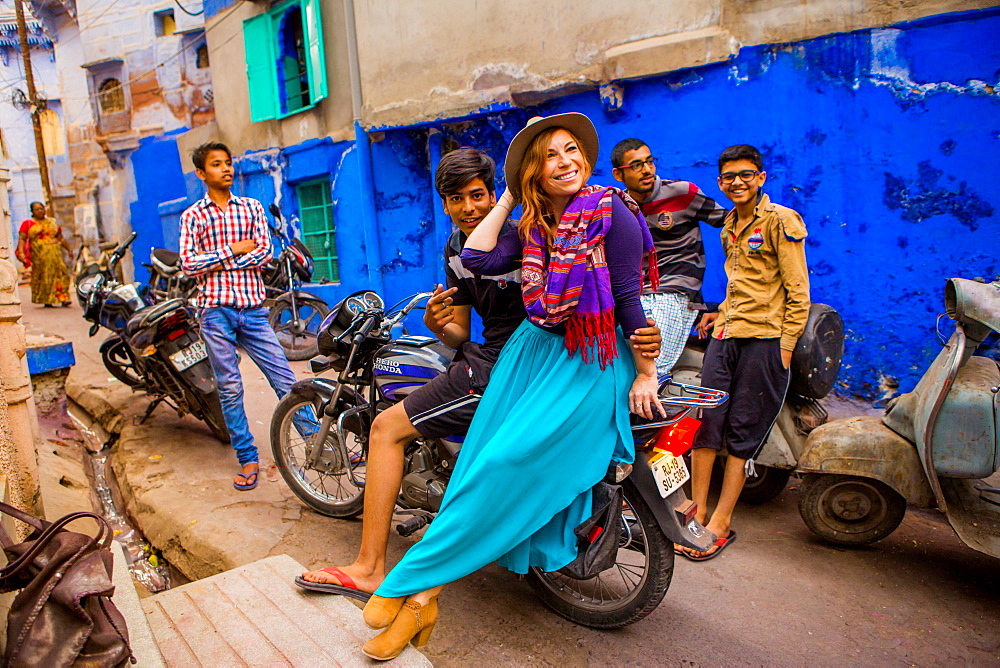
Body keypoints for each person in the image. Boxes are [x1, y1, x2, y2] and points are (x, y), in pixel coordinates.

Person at [357, 113, 665, 661]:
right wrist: (508, 197)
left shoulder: (608, 209)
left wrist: (644, 372)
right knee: (474, 473)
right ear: (533, 173)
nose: (564, 162)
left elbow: (627, 297)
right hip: (531, 354)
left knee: (503, 466)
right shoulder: (534, 225)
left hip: (588, 357)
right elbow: (475, 257)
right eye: (548, 156)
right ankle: (425, 599)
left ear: (586, 159)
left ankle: (403, 583)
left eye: (572, 150)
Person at [680, 144, 810, 561]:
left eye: (745, 175)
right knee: (705, 421)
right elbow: (741, 285)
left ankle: (721, 520)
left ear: (760, 178)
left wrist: (785, 350)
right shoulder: (728, 226)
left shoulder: (780, 221)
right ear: (720, 184)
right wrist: (718, 315)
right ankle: (696, 512)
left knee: (742, 431)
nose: (737, 182)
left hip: (766, 340)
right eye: (729, 177)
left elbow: (797, 292)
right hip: (727, 334)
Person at [178, 141, 299, 492]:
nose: (227, 169)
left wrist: (216, 259)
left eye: (228, 163)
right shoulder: (193, 216)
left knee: (286, 380)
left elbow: (264, 254)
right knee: (230, 389)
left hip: (254, 310)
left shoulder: (251, 207)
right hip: (215, 313)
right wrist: (233, 249)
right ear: (202, 173)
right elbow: (188, 264)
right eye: (217, 164)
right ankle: (247, 457)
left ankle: (316, 439)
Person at [611, 138, 727, 376]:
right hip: (634, 295)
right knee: (608, 360)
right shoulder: (617, 207)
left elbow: (731, 224)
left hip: (674, 290)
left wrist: (731, 300)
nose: (646, 170)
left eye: (650, 162)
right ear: (618, 174)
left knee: (648, 362)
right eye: (636, 165)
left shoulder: (683, 193)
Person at [17, 202, 72, 307]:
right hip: (40, 257)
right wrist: (21, 253)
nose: (40, 211)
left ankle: (63, 298)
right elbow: (22, 239)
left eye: (42, 208)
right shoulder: (27, 224)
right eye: (37, 209)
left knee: (61, 275)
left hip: (55, 255)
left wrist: (69, 249)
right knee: (44, 277)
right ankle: (47, 300)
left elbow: (60, 237)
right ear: (32, 212)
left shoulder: (52, 222)